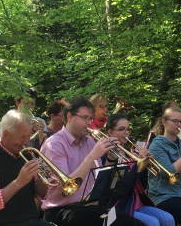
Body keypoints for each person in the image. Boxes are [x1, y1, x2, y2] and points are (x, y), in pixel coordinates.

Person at [40, 96, 145, 226]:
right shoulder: (55, 144)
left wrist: (111, 158)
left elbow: (100, 179)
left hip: (89, 208)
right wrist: (92, 156)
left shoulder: (89, 141)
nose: (89, 122)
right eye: (84, 118)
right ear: (69, 117)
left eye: (90, 118)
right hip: (62, 211)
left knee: (131, 222)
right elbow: (65, 188)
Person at [0, 109, 53, 226]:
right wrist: (19, 182)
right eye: (22, 137)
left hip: (29, 221)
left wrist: (42, 178)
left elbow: (41, 194)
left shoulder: (27, 155)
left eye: (28, 136)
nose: (26, 142)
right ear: (6, 135)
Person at [104, 114, 175, 226]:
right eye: (122, 129)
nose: (126, 133)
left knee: (168, 218)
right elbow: (121, 189)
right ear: (110, 132)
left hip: (138, 203)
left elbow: (143, 185)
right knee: (153, 223)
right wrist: (138, 166)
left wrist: (145, 166)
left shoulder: (131, 153)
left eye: (128, 129)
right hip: (120, 206)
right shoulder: (108, 157)